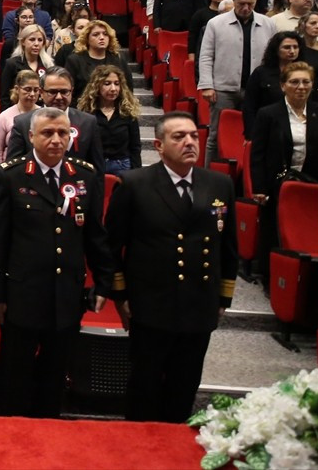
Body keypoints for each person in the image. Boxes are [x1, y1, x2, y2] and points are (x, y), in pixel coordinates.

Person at [106, 112, 238, 423]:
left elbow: (228, 246)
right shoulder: (135, 183)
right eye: (179, 137)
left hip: (199, 302)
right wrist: (120, 295)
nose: (189, 142)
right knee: (145, 387)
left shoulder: (219, 184)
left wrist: (223, 297)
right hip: (151, 303)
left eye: (193, 136)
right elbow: (111, 246)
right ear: (159, 145)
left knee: (185, 385)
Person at [0, 107, 114, 417]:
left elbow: (95, 234)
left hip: (66, 294)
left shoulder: (85, 176)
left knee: (54, 378)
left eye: (63, 133)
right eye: (47, 133)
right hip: (22, 295)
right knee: (15, 378)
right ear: (31, 137)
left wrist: (103, 282)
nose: (56, 139)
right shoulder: (10, 175)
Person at [249, 62, 318, 273]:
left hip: (312, 183)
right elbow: (258, 154)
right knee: (275, 230)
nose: (301, 87)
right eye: (294, 82)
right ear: (283, 86)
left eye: (306, 82)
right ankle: (272, 274)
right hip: (277, 183)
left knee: (307, 230)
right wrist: (259, 187)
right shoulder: (268, 114)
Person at [198, 0, 276, 163]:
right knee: (216, 135)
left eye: (250, 4)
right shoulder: (216, 23)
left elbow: (273, 58)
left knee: (257, 135)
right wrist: (207, 85)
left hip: (258, 89)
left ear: (256, 1)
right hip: (223, 88)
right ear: (233, 0)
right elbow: (206, 55)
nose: (246, 8)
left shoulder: (268, 24)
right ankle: (210, 173)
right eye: (241, 4)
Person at [5, 67, 104, 171]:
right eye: (52, 92)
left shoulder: (88, 123)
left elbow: (97, 170)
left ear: (72, 91)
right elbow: (13, 170)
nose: (59, 97)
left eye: (64, 92)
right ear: (41, 92)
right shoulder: (23, 123)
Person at [78, 64, 142, 176]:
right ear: (96, 86)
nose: (113, 89)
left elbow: (135, 147)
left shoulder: (127, 112)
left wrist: (136, 174)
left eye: (117, 84)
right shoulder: (87, 112)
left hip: (122, 166)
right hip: (94, 165)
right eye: (107, 84)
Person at [242, 31, 302, 136]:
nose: (292, 51)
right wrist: (251, 134)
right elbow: (249, 106)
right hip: (267, 127)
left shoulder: (304, 72)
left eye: (295, 47)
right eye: (287, 47)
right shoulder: (261, 73)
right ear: (276, 50)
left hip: (297, 126)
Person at [65, 20, 131, 103]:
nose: (102, 37)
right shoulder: (74, 60)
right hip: (83, 108)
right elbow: (68, 90)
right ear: (87, 38)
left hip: (114, 107)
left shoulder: (118, 59)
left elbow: (128, 89)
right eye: (96, 34)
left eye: (105, 34)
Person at [0, 24, 52, 110]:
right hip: (17, 110)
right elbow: (5, 97)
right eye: (32, 39)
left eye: (40, 40)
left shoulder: (48, 65)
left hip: (41, 111)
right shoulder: (12, 64)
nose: (36, 44)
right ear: (23, 42)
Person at [0, 70, 41, 163]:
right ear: (17, 89)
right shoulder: (4, 116)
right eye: (27, 89)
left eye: (36, 90)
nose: (32, 94)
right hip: (12, 166)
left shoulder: (44, 114)